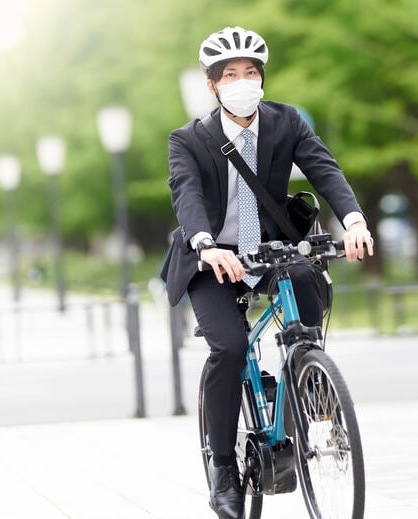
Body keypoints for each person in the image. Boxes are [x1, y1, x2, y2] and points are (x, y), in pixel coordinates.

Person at [160, 26, 374, 519]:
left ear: (262, 77)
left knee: (308, 283)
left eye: (250, 73)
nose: (242, 81)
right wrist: (206, 244)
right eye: (229, 75)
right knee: (230, 348)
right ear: (212, 85)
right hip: (212, 256)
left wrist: (355, 219)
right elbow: (186, 195)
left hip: (273, 245)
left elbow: (325, 170)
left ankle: (308, 378)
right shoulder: (188, 140)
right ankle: (223, 469)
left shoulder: (286, 123)